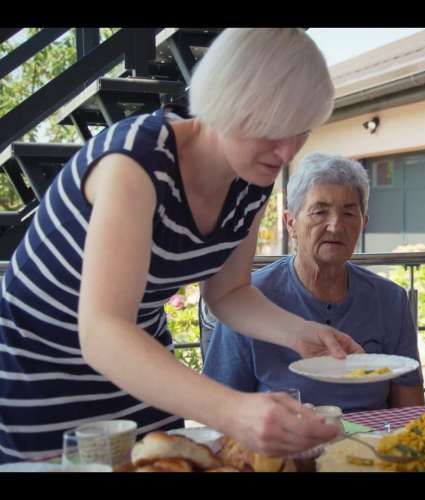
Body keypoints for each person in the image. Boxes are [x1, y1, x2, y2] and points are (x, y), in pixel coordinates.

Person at [0, 28, 364, 464]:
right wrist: (231, 409)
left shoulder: (251, 177)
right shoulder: (134, 163)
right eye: (273, 127)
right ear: (226, 96)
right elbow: (102, 330)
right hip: (40, 372)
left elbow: (228, 293)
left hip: (140, 366)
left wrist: (301, 334)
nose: (287, 152)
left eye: (301, 130)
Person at [203, 153, 425, 412]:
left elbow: (410, 413)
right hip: (282, 446)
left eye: (349, 213)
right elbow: (218, 406)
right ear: (290, 223)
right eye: (320, 212)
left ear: (363, 224)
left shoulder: (390, 300)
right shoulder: (247, 300)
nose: (335, 225)